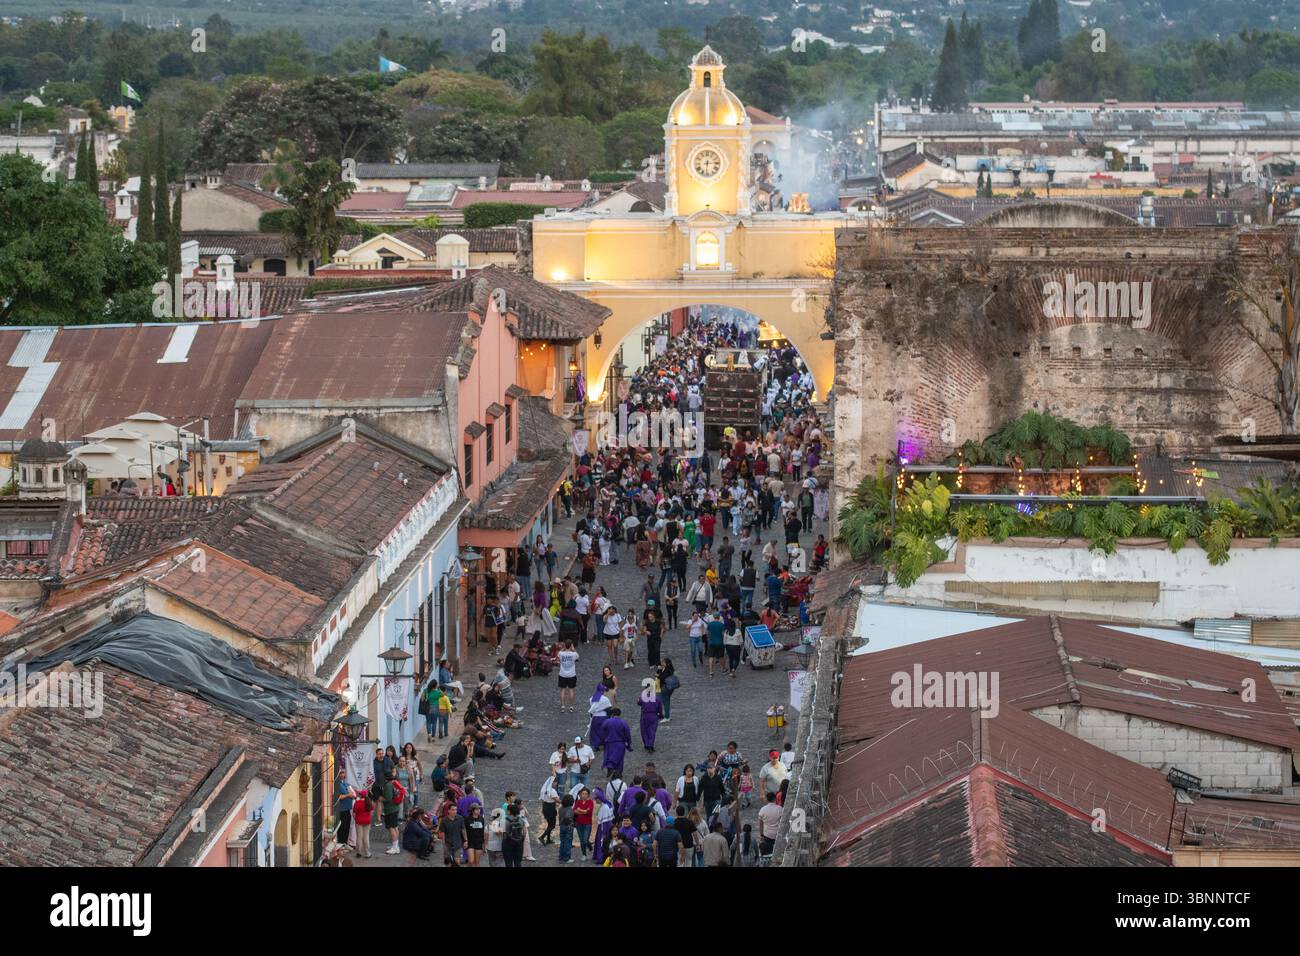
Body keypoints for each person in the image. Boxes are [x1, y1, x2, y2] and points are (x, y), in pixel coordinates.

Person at [602, 707, 633, 777]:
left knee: (609, 757)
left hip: (609, 743)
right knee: (620, 759)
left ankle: (609, 769)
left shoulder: (607, 722)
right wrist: (629, 743)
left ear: (612, 714)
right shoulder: (623, 722)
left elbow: (603, 730)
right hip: (620, 743)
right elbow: (627, 734)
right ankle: (618, 773)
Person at [334, 768, 356, 850]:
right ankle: (341, 844)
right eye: (341, 773)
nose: (342, 774)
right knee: (342, 827)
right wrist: (348, 795)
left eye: (343, 773)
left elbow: (352, 793)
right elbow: (338, 797)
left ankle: (345, 843)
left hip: (348, 808)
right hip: (341, 809)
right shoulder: (337, 784)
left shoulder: (346, 783)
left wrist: (353, 795)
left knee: (347, 826)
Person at [637, 682, 663, 753]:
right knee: (652, 731)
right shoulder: (656, 698)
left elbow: (638, 703)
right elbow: (660, 707)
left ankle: (646, 744)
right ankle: (650, 745)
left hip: (644, 715)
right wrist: (660, 715)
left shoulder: (643, 697)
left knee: (644, 731)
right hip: (653, 715)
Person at [757, 791, 783, 858]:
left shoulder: (763, 810)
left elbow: (761, 824)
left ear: (766, 799)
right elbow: (782, 822)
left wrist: (761, 834)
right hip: (777, 833)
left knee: (769, 851)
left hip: (767, 834)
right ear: (775, 799)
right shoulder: (780, 809)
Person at [441, 800, 466, 867]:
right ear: (448, 811)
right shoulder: (444, 820)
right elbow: (442, 832)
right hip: (448, 845)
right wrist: (443, 844)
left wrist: (466, 840)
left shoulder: (460, 819)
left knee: (457, 862)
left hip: (458, 844)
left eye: (456, 810)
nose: (455, 811)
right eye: (453, 810)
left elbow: (463, 830)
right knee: (448, 863)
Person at [557, 640, 579, 712]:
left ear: (565, 645)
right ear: (571, 646)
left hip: (562, 674)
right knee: (571, 690)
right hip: (572, 674)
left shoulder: (561, 653)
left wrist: (563, 648)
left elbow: (557, 656)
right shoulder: (574, 654)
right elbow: (578, 657)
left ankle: (563, 706)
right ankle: (571, 706)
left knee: (562, 690)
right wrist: (573, 649)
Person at [351, 788, 373, 858]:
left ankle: (358, 852)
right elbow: (371, 811)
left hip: (359, 821)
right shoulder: (369, 802)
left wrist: (356, 819)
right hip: (367, 821)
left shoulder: (357, 803)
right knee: (366, 837)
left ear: (360, 795)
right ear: (366, 795)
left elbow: (354, 814)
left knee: (359, 837)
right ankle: (367, 853)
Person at [574, 787, 595, 860]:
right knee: (582, 840)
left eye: (586, 794)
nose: (584, 795)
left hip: (587, 824)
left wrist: (580, 810)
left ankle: (588, 844)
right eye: (583, 794)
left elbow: (588, 812)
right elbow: (575, 811)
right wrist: (584, 811)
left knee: (585, 839)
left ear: (588, 795)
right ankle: (584, 854)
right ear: (580, 794)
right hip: (578, 824)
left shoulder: (590, 802)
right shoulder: (578, 802)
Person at [657, 657, 678, 723]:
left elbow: (662, 677)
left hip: (665, 688)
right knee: (665, 701)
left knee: (665, 702)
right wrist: (659, 670)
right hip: (669, 688)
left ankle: (666, 717)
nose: (661, 663)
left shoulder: (667, 670)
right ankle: (665, 715)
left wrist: (657, 675)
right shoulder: (669, 669)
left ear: (666, 663)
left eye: (663, 662)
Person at [558, 793, 576, 864]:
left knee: (562, 842)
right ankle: (566, 858)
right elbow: (567, 817)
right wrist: (571, 823)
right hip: (568, 827)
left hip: (561, 826)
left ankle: (561, 857)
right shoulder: (570, 809)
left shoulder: (560, 808)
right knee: (568, 843)